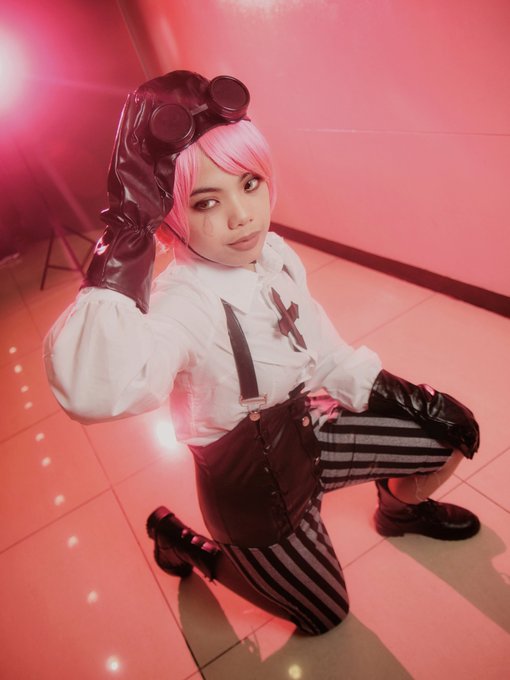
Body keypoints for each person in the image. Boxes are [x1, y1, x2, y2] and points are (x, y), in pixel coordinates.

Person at [44, 70, 480, 635]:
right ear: (168, 215)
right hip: (251, 482)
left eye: (249, 184)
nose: (243, 216)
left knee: (443, 436)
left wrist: (411, 398)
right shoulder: (181, 303)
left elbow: (323, 351)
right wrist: (127, 233)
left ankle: (399, 511)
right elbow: (92, 387)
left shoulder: (273, 254)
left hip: (312, 425)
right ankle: (183, 542)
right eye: (206, 201)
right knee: (325, 615)